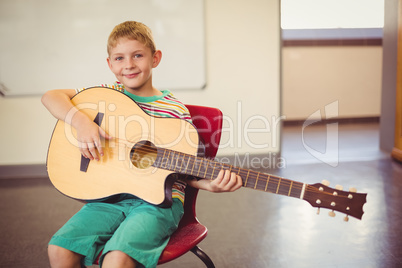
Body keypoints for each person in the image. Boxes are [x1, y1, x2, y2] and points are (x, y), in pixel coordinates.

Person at [41, 21, 243, 268]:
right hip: (107, 198)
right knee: (60, 249)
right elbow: (50, 96)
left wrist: (208, 184)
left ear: (155, 58)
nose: (128, 64)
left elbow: (180, 169)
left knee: (117, 260)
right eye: (119, 58)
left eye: (138, 55)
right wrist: (82, 123)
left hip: (157, 203)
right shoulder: (105, 94)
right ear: (110, 64)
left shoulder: (173, 111)